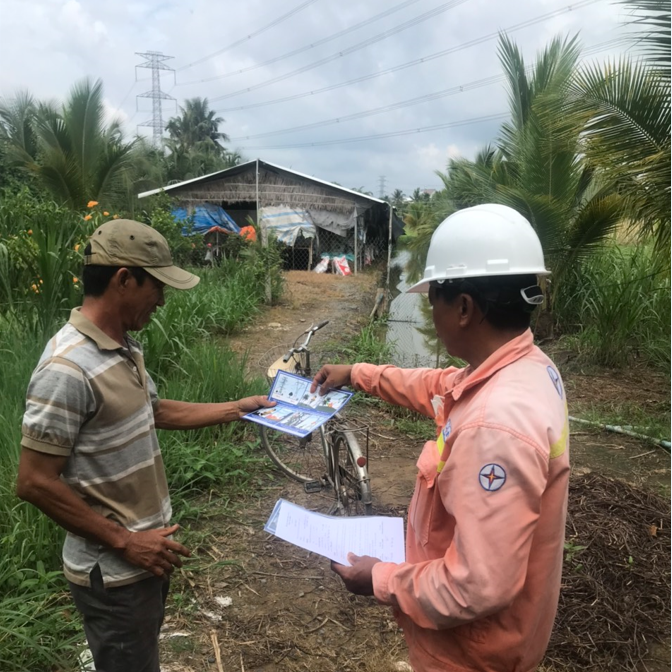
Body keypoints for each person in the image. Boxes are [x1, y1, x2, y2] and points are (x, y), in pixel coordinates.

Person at [311, 204, 570, 672]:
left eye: (433, 300)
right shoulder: (527, 367)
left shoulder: (494, 424)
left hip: (470, 655)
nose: (431, 313)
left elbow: (477, 586)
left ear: (464, 308)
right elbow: (437, 386)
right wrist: (357, 373)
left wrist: (380, 579)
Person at [16, 219, 275, 672]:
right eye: (157, 286)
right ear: (123, 280)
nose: (162, 300)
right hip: (114, 571)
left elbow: (153, 411)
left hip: (143, 559)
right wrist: (126, 541)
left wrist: (239, 408)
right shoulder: (66, 369)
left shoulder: (122, 346)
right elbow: (34, 481)